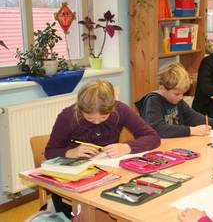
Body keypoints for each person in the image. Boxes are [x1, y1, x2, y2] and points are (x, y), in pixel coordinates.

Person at [45, 79, 161, 218]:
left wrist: (127, 147)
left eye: (104, 117)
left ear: (112, 108)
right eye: (90, 118)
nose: (97, 122)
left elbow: (153, 137)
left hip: (108, 175)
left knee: (131, 204)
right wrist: (71, 152)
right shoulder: (68, 116)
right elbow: (50, 151)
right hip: (73, 180)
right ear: (80, 110)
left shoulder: (120, 110)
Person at [135, 62, 213, 138]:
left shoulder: (177, 100)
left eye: (183, 93)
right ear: (162, 89)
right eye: (177, 94)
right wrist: (191, 130)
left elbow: (191, 116)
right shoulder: (153, 101)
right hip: (157, 147)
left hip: (173, 144)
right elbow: (157, 128)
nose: (181, 97)